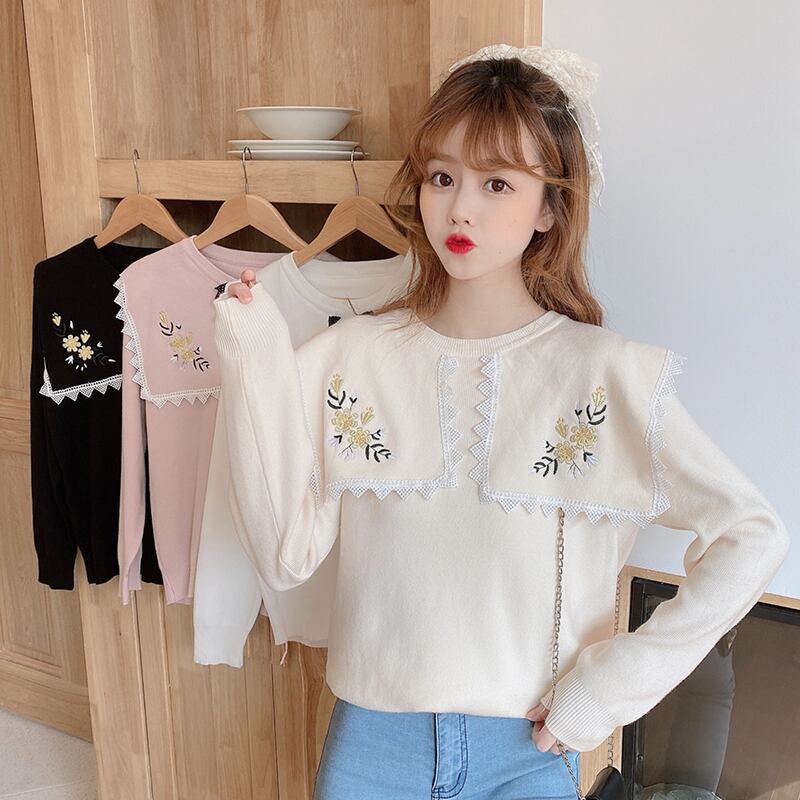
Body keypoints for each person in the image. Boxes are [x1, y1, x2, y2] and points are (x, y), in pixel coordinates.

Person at [211, 45, 789, 800]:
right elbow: (285, 555)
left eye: (497, 183)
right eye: (442, 177)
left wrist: (611, 686)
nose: (461, 209)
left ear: (550, 206)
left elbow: (752, 534)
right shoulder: (347, 357)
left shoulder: (606, 375)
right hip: (370, 746)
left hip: (527, 747)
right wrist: (252, 355)